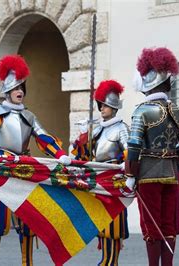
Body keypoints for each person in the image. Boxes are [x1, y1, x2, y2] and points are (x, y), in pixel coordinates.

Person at [0, 55, 71, 266]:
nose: (20, 92)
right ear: (7, 91)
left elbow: (43, 138)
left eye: (22, 88)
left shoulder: (29, 116)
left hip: (24, 170)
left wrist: (61, 155)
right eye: (16, 88)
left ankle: (27, 263)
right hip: (1, 169)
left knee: (28, 221)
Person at [124, 47, 179, 265]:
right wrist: (173, 155)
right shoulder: (175, 110)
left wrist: (130, 173)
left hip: (147, 174)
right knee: (168, 225)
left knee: (151, 225)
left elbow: (134, 145)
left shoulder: (142, 111)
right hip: (171, 175)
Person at [71, 80, 130, 266]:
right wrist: (80, 140)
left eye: (105, 105)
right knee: (101, 221)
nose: (101, 108)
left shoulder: (122, 128)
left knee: (114, 223)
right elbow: (87, 155)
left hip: (115, 178)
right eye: (100, 105)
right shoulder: (97, 130)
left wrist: (124, 166)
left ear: (113, 107)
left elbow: (130, 153)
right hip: (99, 178)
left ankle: (113, 260)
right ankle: (104, 257)